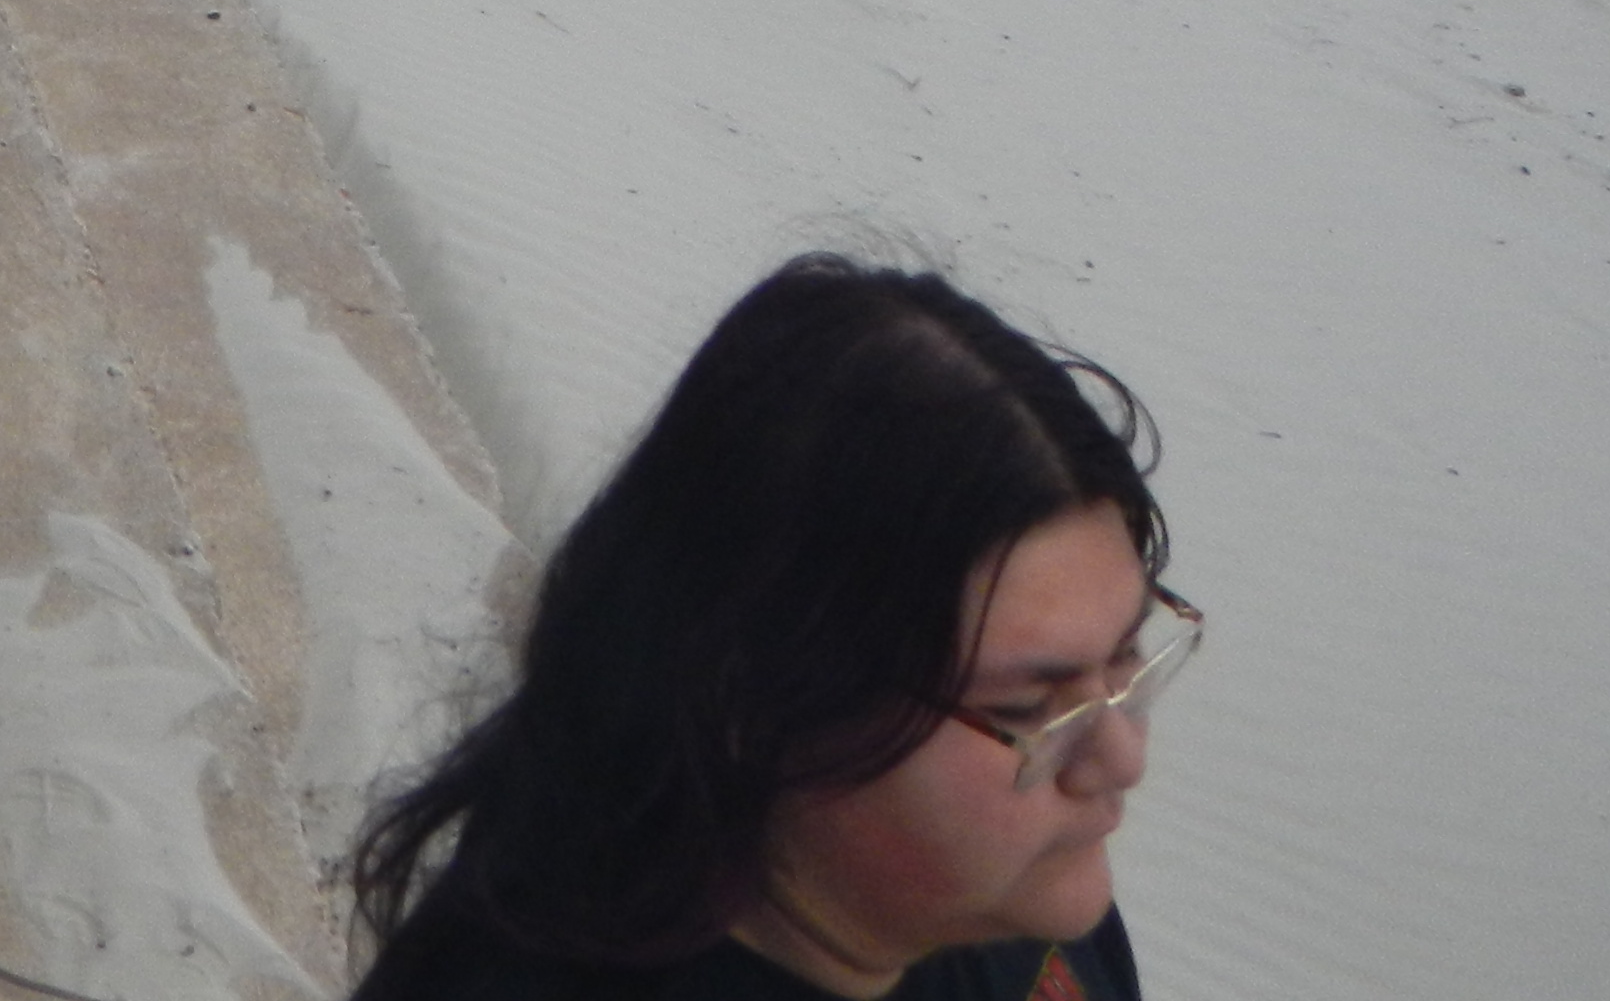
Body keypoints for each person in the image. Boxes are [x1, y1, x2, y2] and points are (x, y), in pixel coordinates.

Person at [349, 258, 1194, 1001]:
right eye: (1030, 707)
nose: (1121, 757)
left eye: (1126, 658)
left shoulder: (1022, 908)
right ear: (767, 704)